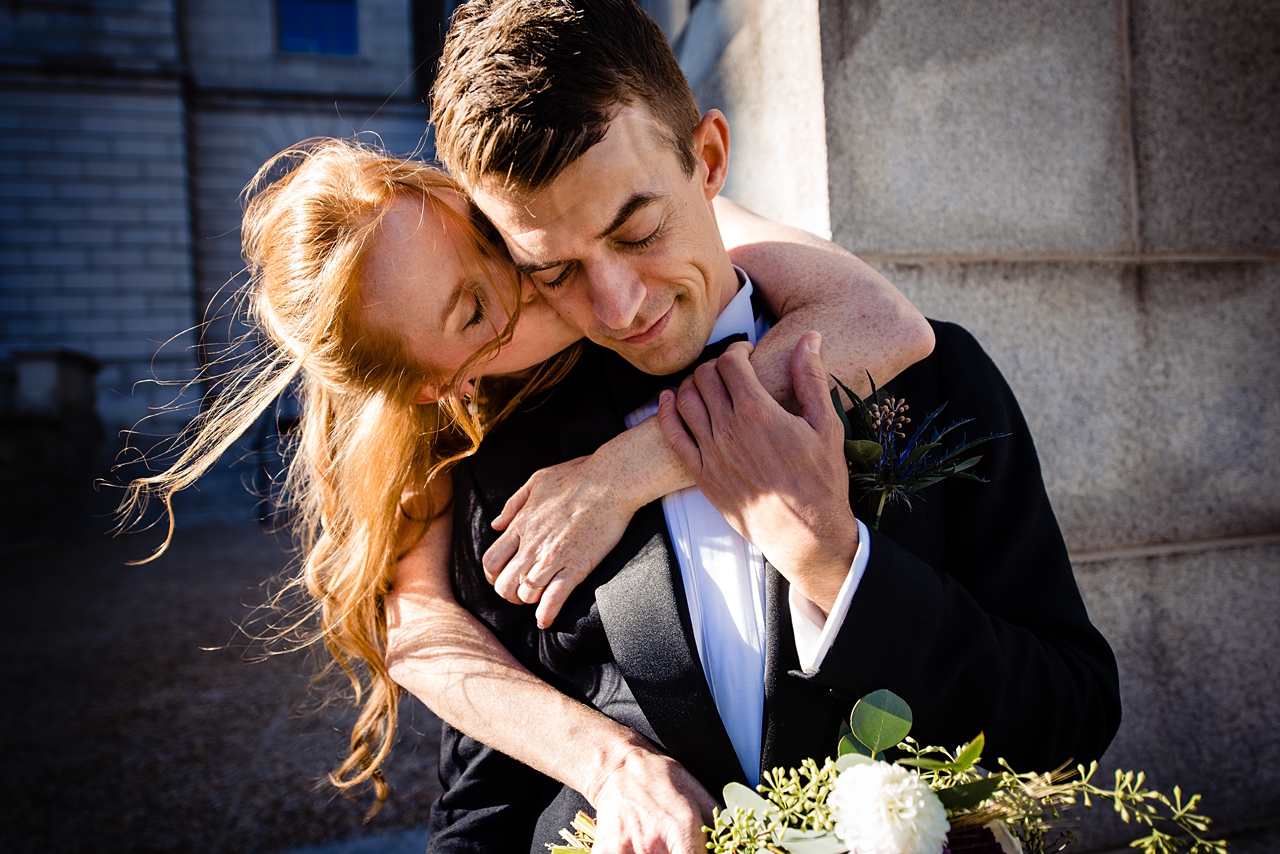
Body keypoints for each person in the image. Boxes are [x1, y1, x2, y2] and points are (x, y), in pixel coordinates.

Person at [388, 1, 1123, 852]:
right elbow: (485, 805)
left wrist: (837, 567)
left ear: (708, 159)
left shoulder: (932, 379)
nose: (619, 306)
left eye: (640, 230)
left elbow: (1071, 716)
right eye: (553, 272)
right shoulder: (517, 464)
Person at [117, 135, 934, 821]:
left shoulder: (588, 229)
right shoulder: (414, 417)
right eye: (474, 313)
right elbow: (419, 630)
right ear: (443, 385)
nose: (525, 276)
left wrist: (622, 472)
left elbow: (883, 323)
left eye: (486, 238)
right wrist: (610, 764)